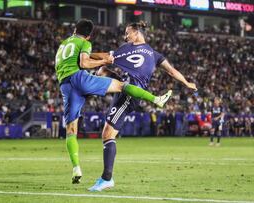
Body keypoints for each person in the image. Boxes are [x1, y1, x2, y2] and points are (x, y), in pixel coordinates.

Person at [55, 19, 172, 184]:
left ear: (75, 30)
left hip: (65, 85)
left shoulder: (62, 45)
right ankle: (156, 99)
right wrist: (104, 61)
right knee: (122, 86)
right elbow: (84, 63)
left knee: (71, 131)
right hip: (80, 78)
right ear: (88, 35)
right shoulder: (84, 43)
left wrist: (105, 58)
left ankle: (76, 168)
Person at [89, 21, 197, 191]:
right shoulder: (153, 54)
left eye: (127, 33)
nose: (125, 36)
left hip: (129, 94)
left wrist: (86, 54)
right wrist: (186, 82)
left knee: (108, 133)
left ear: (137, 32)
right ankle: (106, 177)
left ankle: (106, 178)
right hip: (125, 87)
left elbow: (105, 56)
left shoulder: (129, 48)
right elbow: (171, 70)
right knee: (102, 71)